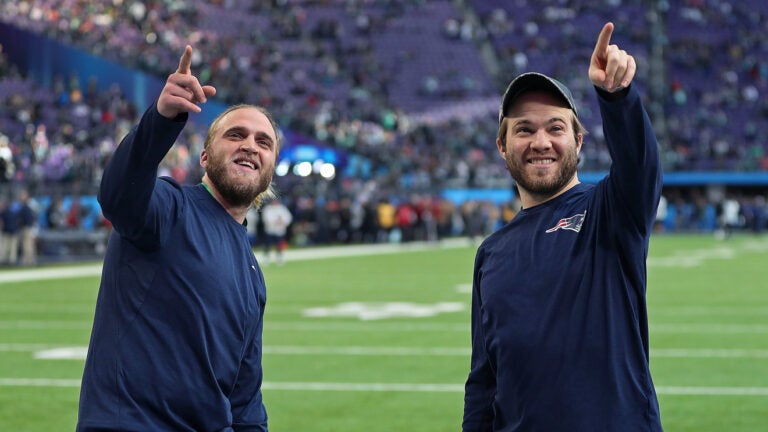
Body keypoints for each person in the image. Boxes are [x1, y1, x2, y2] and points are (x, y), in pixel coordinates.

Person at [463, 23, 664, 431]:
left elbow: (639, 166)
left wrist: (618, 98)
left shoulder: (610, 212)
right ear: (502, 146)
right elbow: (484, 380)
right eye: (524, 129)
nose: (540, 142)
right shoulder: (491, 253)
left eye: (556, 128)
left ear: (579, 141)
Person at [77, 45, 279, 431]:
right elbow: (118, 195)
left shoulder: (253, 272)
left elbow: (244, 396)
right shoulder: (170, 207)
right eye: (235, 135)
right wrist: (163, 118)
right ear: (205, 158)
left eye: (263, 142)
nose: (250, 145)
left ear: (270, 168)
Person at [260, 197, 293, 265]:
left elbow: (288, 217)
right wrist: (275, 222)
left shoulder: (282, 208)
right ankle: (266, 258)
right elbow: (266, 219)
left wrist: (282, 222)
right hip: (270, 230)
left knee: (279, 245)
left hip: (280, 231)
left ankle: (279, 258)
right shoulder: (268, 209)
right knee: (267, 245)